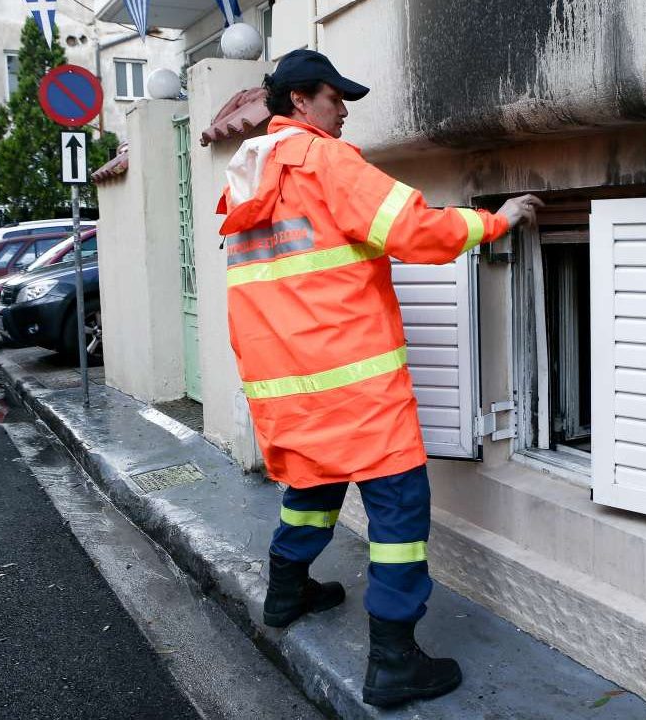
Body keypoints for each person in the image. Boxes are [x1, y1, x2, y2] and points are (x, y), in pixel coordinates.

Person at [216, 49, 540, 707]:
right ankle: (394, 662)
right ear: (302, 100)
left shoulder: (244, 175)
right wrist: (496, 220)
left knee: (312, 485)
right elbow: (416, 232)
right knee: (398, 513)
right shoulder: (329, 161)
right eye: (338, 99)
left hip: (285, 385)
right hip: (354, 385)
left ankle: (286, 591)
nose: (344, 112)